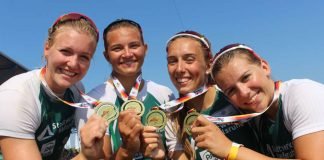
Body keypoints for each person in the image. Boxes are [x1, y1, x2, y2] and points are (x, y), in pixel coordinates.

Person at [194, 43, 324, 159]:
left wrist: (231, 150)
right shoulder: (256, 119)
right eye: (232, 90)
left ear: (264, 67)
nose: (244, 93)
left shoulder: (303, 94)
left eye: (246, 77)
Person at [0, 12, 101, 160]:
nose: (73, 64)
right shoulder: (16, 97)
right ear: (47, 48)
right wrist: (85, 156)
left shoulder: (76, 89)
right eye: (65, 51)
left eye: (84, 57)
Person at [75, 19, 174, 159]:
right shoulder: (93, 102)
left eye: (134, 46)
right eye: (117, 48)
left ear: (145, 49)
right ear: (106, 56)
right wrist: (127, 149)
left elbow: (176, 149)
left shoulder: (165, 94)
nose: (127, 54)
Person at [164, 31, 261, 160]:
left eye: (189, 60)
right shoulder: (173, 120)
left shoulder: (233, 95)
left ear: (209, 64)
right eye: (172, 61)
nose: (179, 68)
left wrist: (229, 149)